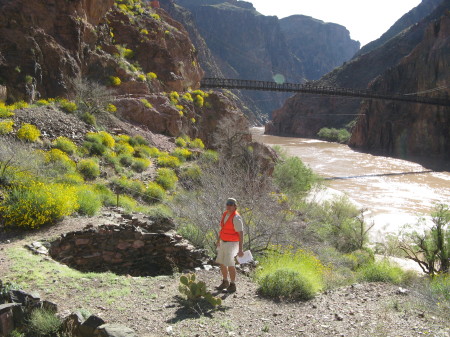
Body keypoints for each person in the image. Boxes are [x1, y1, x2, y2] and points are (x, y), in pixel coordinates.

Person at [215, 198, 244, 293]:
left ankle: (232, 284)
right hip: (223, 242)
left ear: (235, 206)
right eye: (228, 204)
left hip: (232, 244)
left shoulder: (236, 217)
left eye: (231, 204)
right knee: (222, 262)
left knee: (230, 264)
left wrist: (240, 250)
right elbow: (222, 229)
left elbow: (241, 234)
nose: (229, 206)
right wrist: (218, 240)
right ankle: (225, 281)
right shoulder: (225, 214)